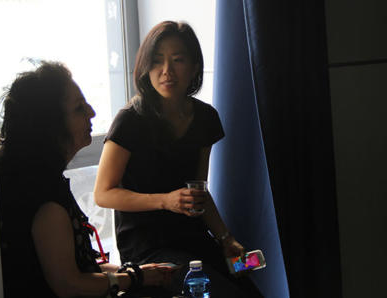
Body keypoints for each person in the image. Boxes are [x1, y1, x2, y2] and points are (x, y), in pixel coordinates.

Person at [94, 21, 262, 297]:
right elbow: (102, 194)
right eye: (157, 61)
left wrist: (225, 238)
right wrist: (165, 200)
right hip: (148, 248)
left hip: (192, 240)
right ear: (145, 67)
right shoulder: (130, 120)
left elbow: (199, 192)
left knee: (250, 288)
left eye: (178, 60)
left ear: (195, 67)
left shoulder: (206, 118)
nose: (166, 71)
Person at [0, 61, 177, 298]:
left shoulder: (38, 180)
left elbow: (82, 267)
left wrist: (134, 272)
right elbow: (69, 284)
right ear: (51, 125)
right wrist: (135, 278)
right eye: (80, 108)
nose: (91, 112)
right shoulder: (47, 204)